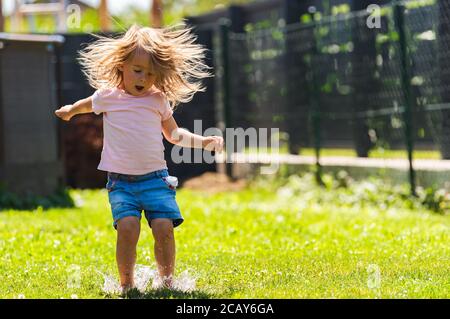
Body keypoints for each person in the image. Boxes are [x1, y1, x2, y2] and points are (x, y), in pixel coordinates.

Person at [55, 24, 224, 294]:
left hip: (156, 180)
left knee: (164, 228)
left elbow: (174, 134)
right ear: (122, 65)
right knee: (128, 228)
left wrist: (203, 141)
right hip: (122, 184)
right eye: (138, 71)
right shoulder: (108, 96)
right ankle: (126, 284)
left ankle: (167, 281)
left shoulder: (157, 100)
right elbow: (87, 104)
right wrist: (70, 111)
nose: (144, 78)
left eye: (151, 74)